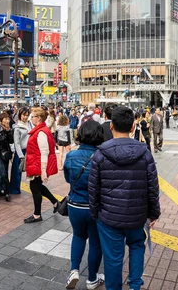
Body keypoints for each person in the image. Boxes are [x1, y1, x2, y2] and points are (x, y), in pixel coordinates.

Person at [88, 106, 161, 290]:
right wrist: (154, 213)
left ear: (111, 126)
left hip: (108, 216)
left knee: (113, 257)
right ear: (132, 127)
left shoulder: (100, 153)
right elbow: (152, 186)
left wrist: (95, 213)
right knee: (137, 246)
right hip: (137, 214)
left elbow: (93, 188)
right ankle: (135, 285)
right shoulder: (144, 152)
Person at [64, 120, 105, 290]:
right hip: (95, 207)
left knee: (78, 236)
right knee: (95, 243)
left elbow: (68, 179)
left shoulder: (70, 156)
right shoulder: (102, 157)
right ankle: (92, 279)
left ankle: (74, 271)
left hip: (74, 205)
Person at [24, 107, 59, 223]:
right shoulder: (42, 130)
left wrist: (43, 171)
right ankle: (55, 203)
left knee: (35, 188)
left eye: (32, 116)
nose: (31, 119)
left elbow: (45, 152)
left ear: (38, 118)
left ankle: (37, 215)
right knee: (37, 187)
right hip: (36, 163)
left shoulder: (41, 132)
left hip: (38, 164)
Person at [11, 107, 30, 195]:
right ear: (19, 115)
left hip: (29, 150)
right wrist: (21, 155)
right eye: (23, 115)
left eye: (27, 115)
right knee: (17, 171)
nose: (25, 117)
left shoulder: (29, 124)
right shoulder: (17, 127)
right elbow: (16, 143)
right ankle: (14, 189)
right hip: (20, 152)